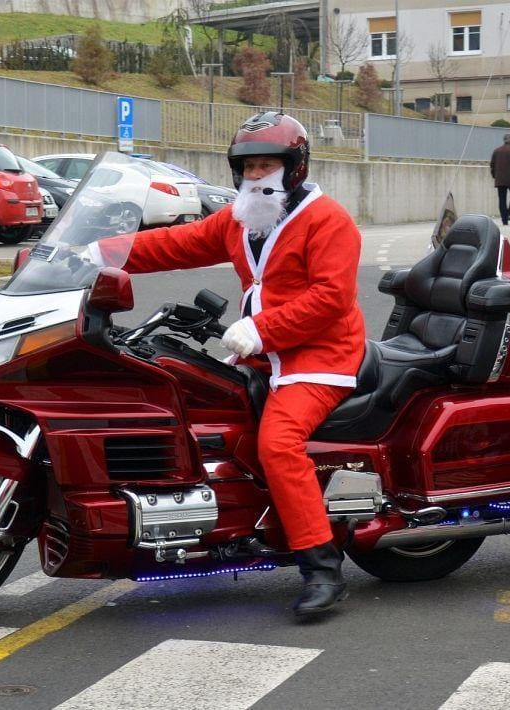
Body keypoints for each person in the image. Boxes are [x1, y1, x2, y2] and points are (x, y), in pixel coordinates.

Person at [116, 112, 365, 616]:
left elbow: (331, 299)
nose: (255, 175)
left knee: (278, 442)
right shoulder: (241, 219)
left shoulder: (328, 220)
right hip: (263, 355)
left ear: (293, 168)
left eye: (266, 165)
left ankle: (322, 567)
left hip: (319, 357)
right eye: (248, 166)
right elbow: (175, 244)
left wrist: (260, 329)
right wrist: (90, 252)